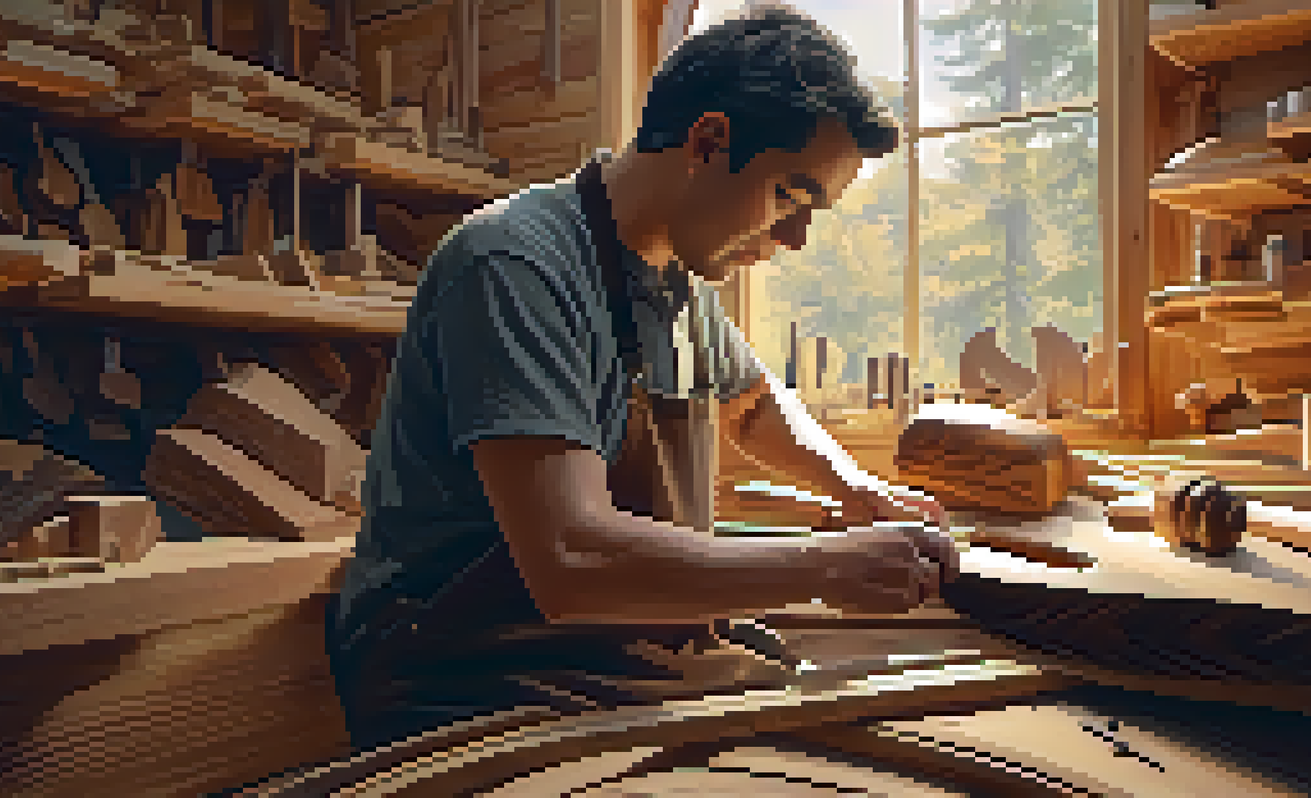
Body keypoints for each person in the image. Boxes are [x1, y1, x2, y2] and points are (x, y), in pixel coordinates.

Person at [327, 2, 959, 752]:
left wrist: (856, 488)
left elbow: (753, 405)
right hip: (468, 670)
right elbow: (570, 557)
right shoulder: (515, 265)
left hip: (614, 651)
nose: (795, 238)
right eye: (791, 196)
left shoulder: (677, 279)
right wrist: (821, 566)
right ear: (709, 141)